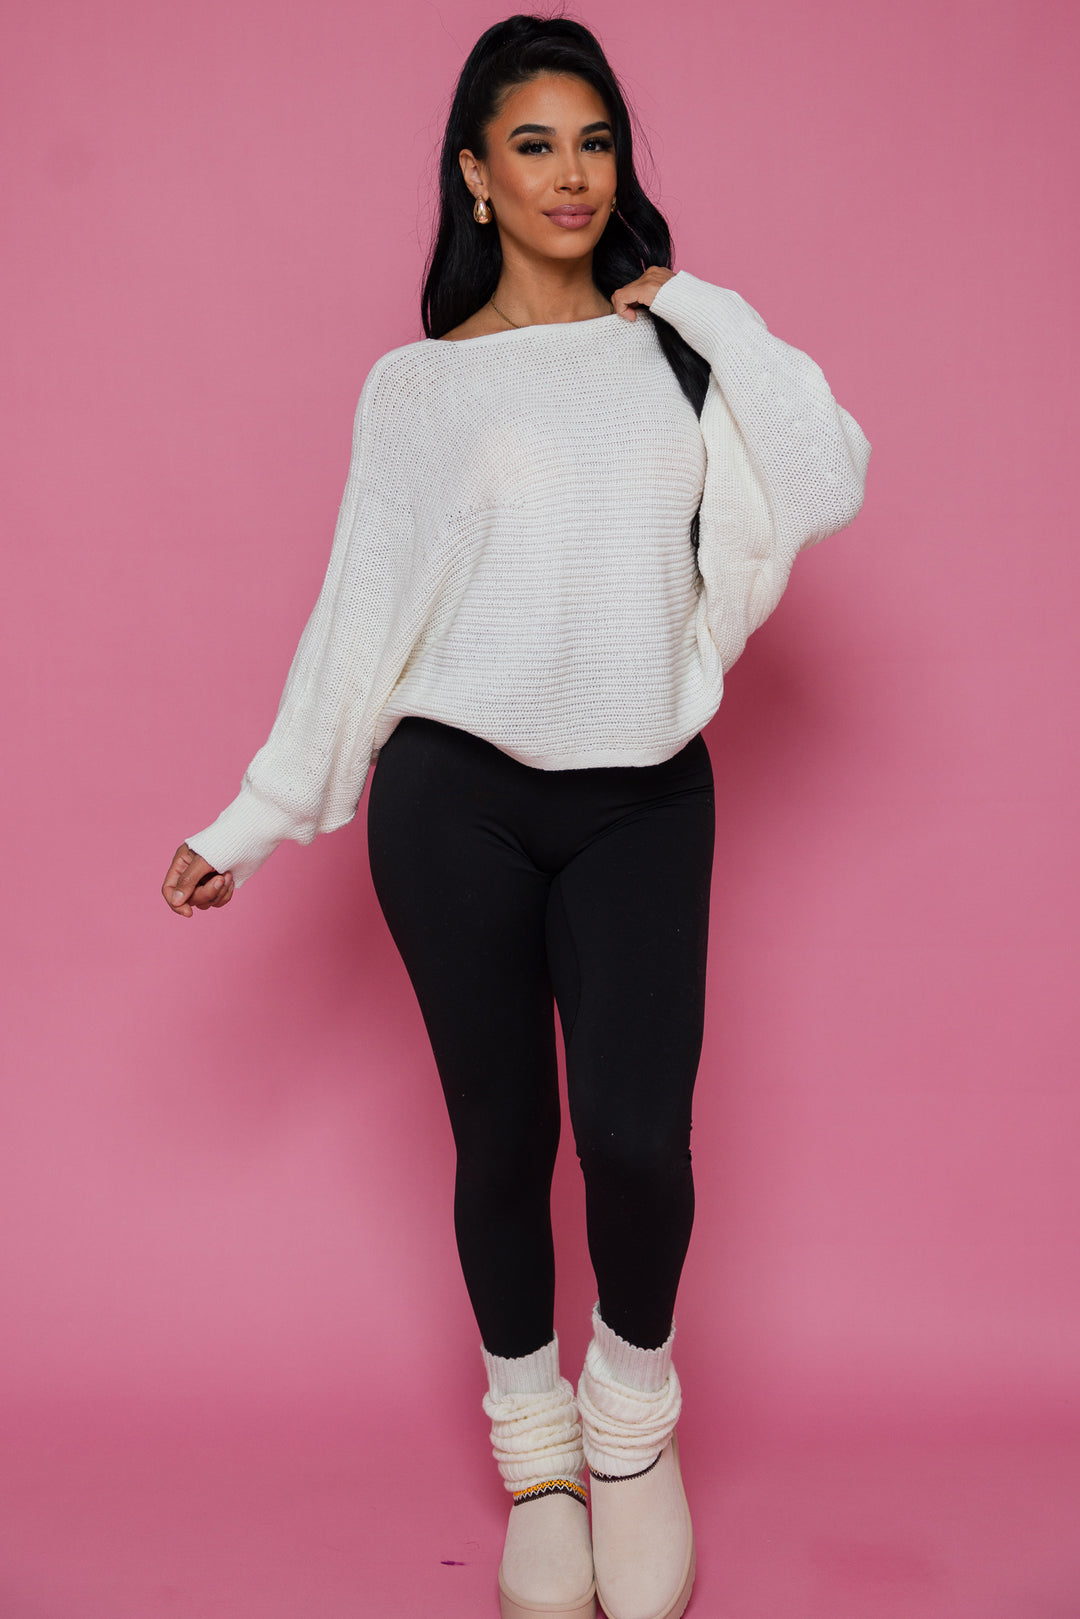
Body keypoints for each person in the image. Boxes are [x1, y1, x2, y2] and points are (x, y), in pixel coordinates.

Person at [161, 15, 870, 1619]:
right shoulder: (417, 388)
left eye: (595, 141)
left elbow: (825, 475)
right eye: (534, 144)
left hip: (643, 797)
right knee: (503, 1141)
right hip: (454, 803)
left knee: (635, 1142)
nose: (571, 173)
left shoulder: (676, 349)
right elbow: (361, 613)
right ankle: (537, 1456)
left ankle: (631, 1426)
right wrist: (258, 815)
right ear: (474, 176)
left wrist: (687, 296)